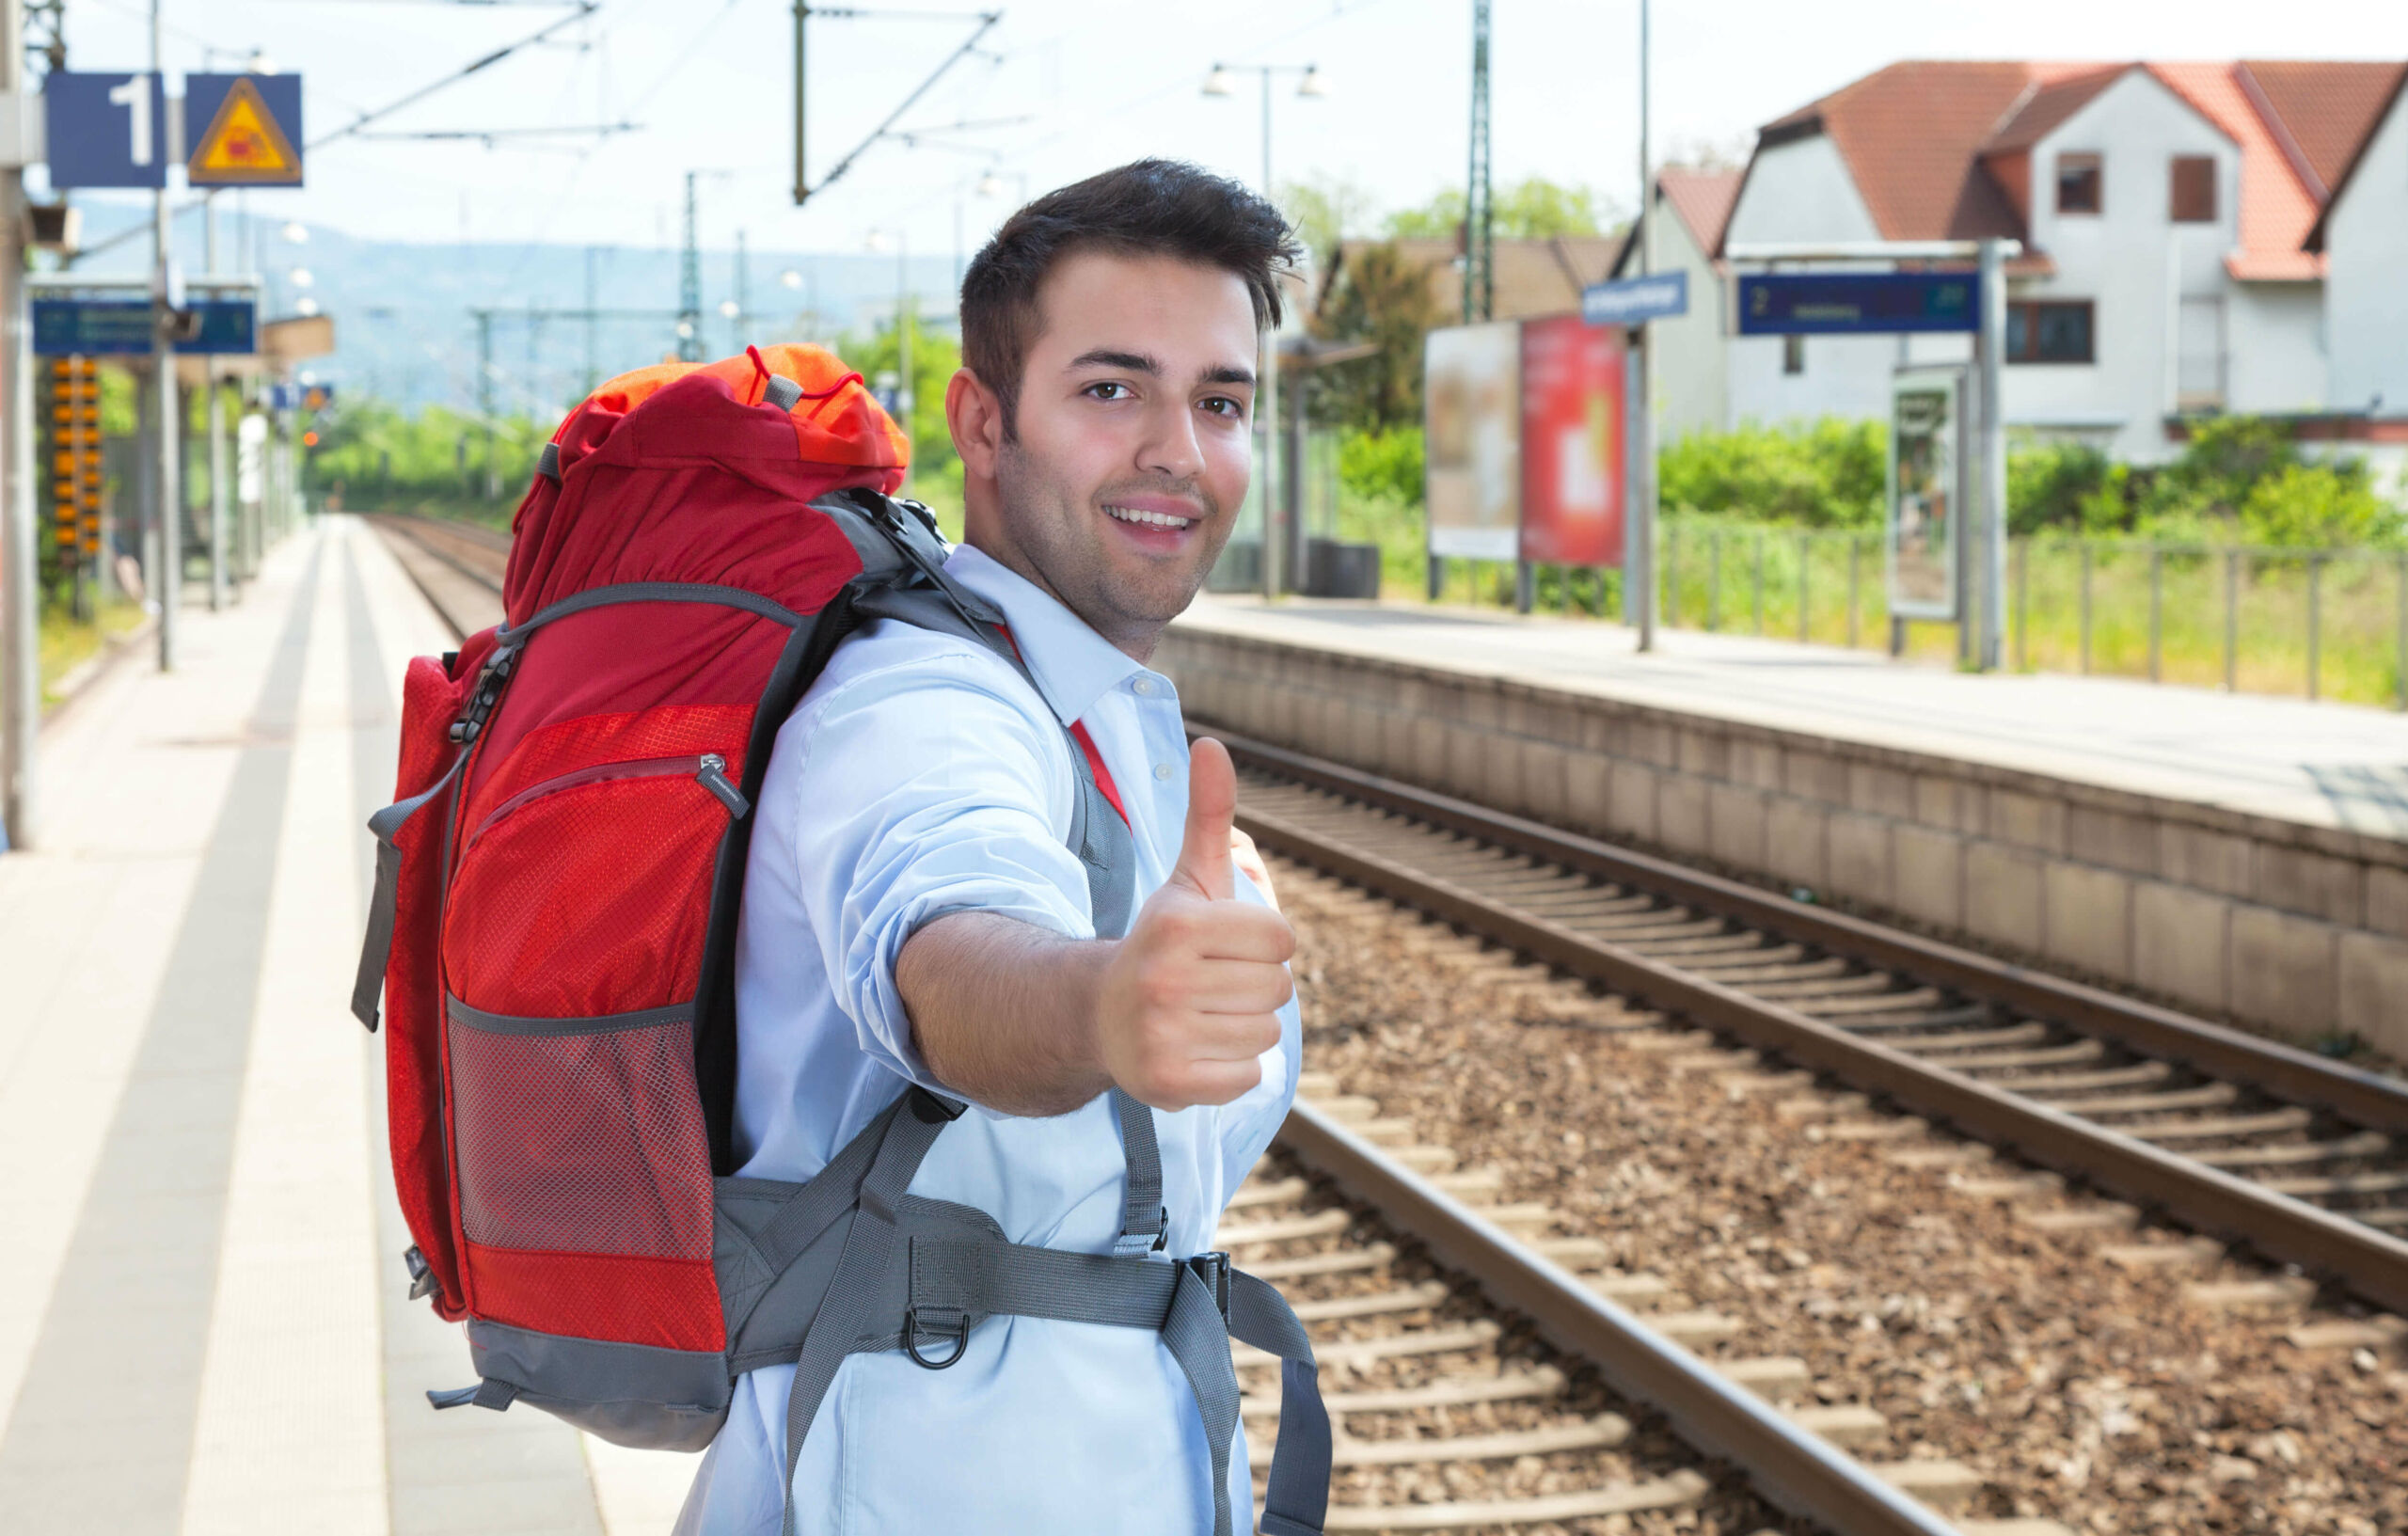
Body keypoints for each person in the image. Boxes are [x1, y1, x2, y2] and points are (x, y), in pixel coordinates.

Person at [677, 159, 1307, 1534]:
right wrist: (1099, 1001)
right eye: (1109, 389)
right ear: (982, 419)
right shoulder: (919, 704)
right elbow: (945, 957)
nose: (1177, 452)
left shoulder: (1088, 710)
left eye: (1220, 401)